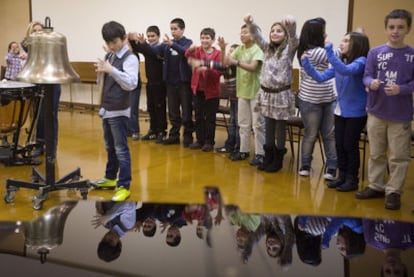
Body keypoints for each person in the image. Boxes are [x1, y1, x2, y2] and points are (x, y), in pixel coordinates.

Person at [355, 9, 414, 211]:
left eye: (400, 27)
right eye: (391, 27)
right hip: (376, 112)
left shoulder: (412, 55)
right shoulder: (375, 52)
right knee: (376, 153)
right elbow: (366, 75)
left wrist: (402, 89)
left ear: (407, 29)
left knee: (398, 156)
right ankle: (376, 186)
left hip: (400, 116)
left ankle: (394, 191)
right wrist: (370, 82)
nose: (395, 31)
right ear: (386, 29)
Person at [301, 32, 370, 191]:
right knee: (339, 145)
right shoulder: (341, 63)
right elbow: (320, 77)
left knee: (349, 145)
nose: (342, 43)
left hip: (356, 113)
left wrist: (329, 50)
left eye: (346, 41)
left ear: (357, 44)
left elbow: (346, 70)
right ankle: (342, 176)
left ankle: (352, 179)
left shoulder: (361, 61)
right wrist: (306, 64)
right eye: (342, 39)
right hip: (340, 111)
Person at [91, 21, 139, 202]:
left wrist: (111, 70)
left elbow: (131, 83)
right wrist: (102, 71)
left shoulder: (130, 58)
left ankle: (124, 186)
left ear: (124, 38)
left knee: (121, 150)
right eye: (109, 42)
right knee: (110, 147)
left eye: (115, 42)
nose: (112, 46)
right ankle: (110, 178)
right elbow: (104, 81)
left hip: (119, 110)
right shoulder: (109, 55)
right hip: (107, 108)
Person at [244, 14, 298, 172]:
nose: (275, 33)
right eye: (272, 31)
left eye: (279, 31)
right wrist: (250, 23)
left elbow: (294, 37)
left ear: (285, 35)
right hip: (266, 94)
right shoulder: (266, 48)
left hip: (281, 94)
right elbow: (256, 35)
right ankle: (268, 156)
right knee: (268, 125)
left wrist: (291, 24)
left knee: (280, 127)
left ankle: (278, 159)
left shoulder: (289, 49)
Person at [296, 17, 337, 180]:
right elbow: (339, 53)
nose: (326, 33)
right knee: (322, 134)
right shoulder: (316, 53)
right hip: (310, 100)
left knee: (314, 134)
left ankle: (312, 165)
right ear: (317, 34)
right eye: (323, 31)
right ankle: (328, 166)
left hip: (327, 98)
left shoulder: (305, 52)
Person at [220, 24, 265, 165]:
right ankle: (243, 150)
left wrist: (236, 62)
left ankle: (260, 153)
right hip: (242, 91)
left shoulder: (258, 49)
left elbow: (252, 67)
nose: (242, 35)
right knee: (243, 123)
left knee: (257, 124)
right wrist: (222, 49)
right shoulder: (239, 49)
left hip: (256, 92)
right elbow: (225, 63)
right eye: (241, 32)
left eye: (245, 32)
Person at [144, 18, 194, 147]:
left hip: (183, 83)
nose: (173, 31)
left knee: (186, 111)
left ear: (182, 29)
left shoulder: (188, 42)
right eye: (171, 29)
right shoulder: (166, 44)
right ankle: (174, 135)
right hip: (170, 83)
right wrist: (143, 45)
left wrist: (172, 44)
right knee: (173, 111)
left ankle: (188, 135)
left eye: (175, 29)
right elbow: (154, 51)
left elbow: (186, 53)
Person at [21, 21, 61, 157]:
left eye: (40, 30)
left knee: (50, 115)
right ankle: (39, 144)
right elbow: (24, 44)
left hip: (52, 84)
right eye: (34, 31)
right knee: (39, 116)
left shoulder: (51, 45)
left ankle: (51, 146)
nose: (38, 33)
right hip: (37, 83)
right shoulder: (30, 47)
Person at [129, 25, 167, 143]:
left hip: (160, 84)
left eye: (153, 36)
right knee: (151, 107)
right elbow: (136, 47)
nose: (150, 38)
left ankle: (161, 131)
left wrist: (143, 44)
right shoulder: (147, 47)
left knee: (159, 107)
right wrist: (130, 37)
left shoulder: (162, 47)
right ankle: (153, 130)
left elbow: (152, 51)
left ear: (158, 36)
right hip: (150, 83)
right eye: (149, 36)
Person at [185, 27, 222, 152]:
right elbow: (187, 55)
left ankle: (209, 142)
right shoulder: (198, 50)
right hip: (198, 90)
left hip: (211, 92)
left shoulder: (217, 54)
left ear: (213, 40)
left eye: (207, 38)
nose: (204, 40)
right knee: (199, 116)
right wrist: (189, 51)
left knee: (210, 118)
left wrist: (207, 69)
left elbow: (218, 72)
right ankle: (199, 140)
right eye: (202, 38)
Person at [215, 44, 240, 154]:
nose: (230, 55)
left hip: (241, 99)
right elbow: (216, 64)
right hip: (233, 99)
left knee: (239, 123)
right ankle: (230, 144)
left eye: (233, 53)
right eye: (229, 52)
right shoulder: (227, 68)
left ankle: (239, 147)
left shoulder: (238, 67)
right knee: (232, 122)